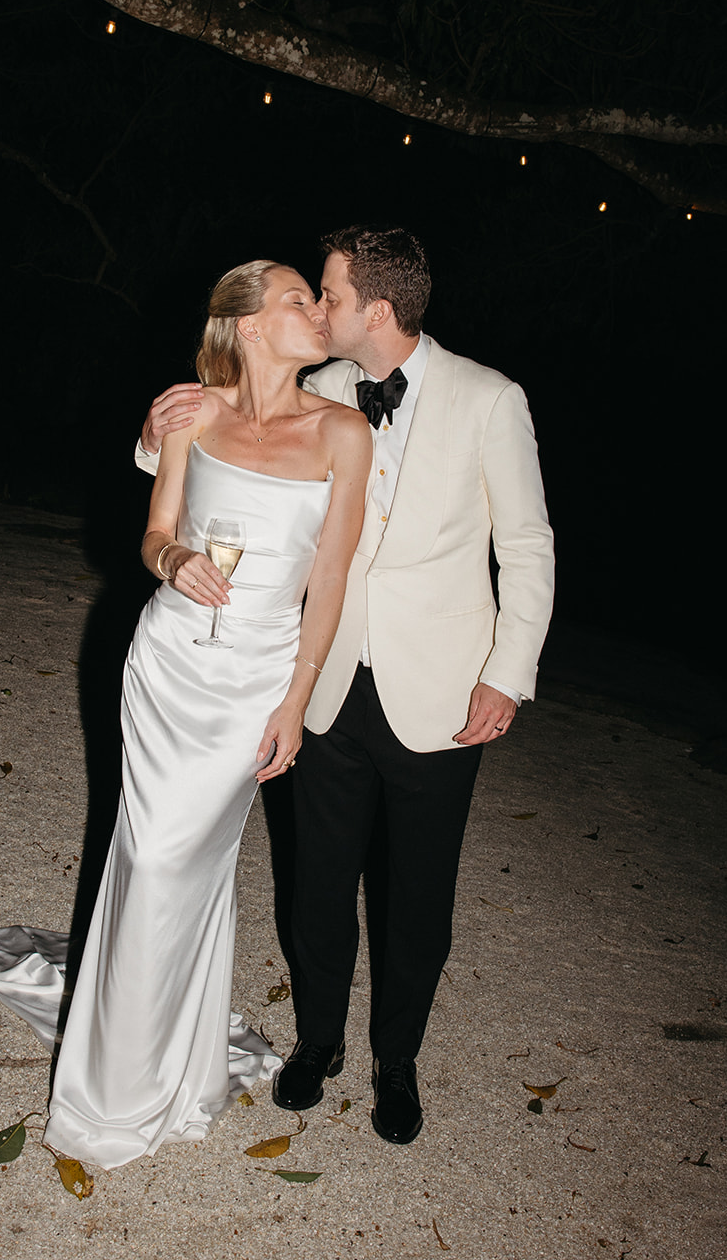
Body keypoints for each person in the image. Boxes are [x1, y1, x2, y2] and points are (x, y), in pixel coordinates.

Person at [0, 260, 370, 1171]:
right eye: (299, 299)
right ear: (249, 325)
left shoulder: (342, 430)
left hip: (255, 677)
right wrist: (173, 563)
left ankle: (144, 1072)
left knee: (181, 862)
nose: (318, 312)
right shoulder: (194, 413)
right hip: (167, 662)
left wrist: (298, 697)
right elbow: (153, 528)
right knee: (148, 853)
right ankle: (121, 1084)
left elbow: (329, 578)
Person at [138, 226, 554, 1146]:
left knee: (418, 895)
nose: (317, 311)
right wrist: (152, 428)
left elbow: (526, 547)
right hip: (317, 677)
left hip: (443, 691)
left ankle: (395, 1061)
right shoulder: (317, 387)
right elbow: (208, 456)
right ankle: (317, 1042)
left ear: (374, 308)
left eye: (325, 294)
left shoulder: (490, 398)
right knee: (316, 880)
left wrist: (507, 677)